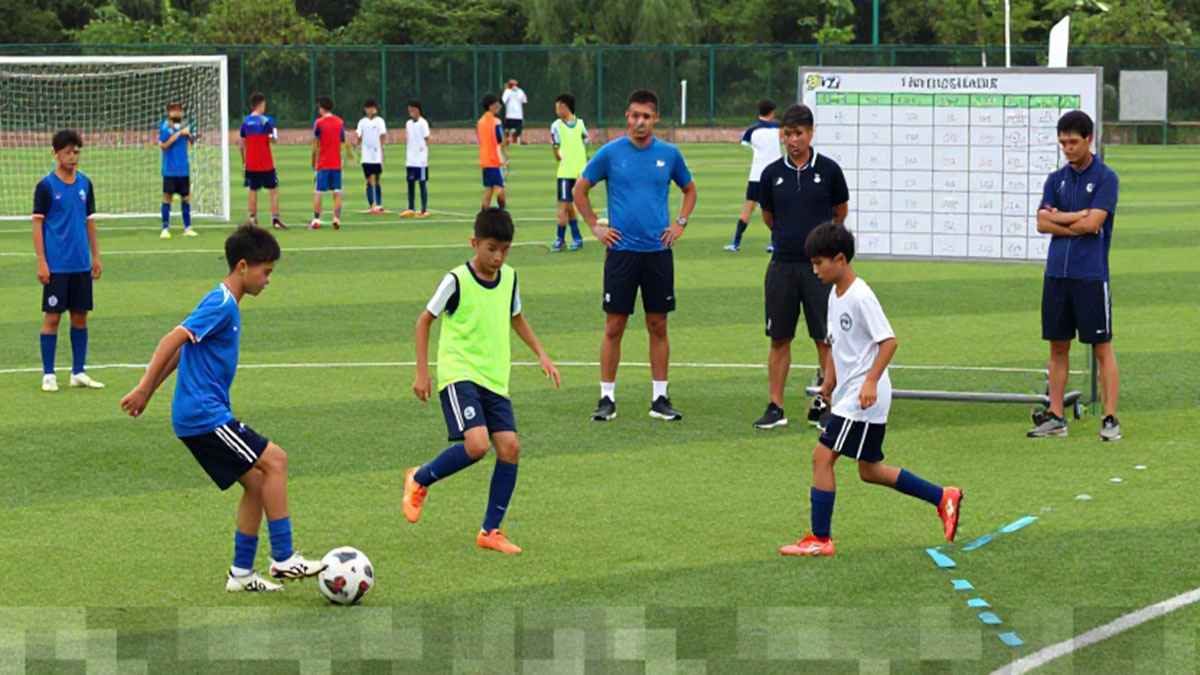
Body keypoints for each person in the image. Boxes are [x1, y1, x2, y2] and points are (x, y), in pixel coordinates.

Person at [119, 224, 326, 591]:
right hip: (203, 416)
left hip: (202, 415)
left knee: (257, 483)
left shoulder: (224, 303)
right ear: (242, 266)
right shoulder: (222, 303)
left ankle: (241, 574)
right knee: (276, 460)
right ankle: (283, 557)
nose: (268, 280)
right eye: (265, 271)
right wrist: (143, 387)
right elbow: (172, 339)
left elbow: (184, 349)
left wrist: (150, 393)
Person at [779, 222, 963, 557]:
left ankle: (820, 538)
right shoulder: (834, 294)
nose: (815, 270)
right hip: (850, 393)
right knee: (869, 471)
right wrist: (828, 382)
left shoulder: (861, 296)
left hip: (863, 397)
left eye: (819, 263)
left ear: (840, 259)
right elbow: (836, 344)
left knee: (822, 456)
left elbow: (889, 342)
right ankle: (942, 497)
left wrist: (870, 381)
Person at [403, 208, 561, 555]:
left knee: (510, 448)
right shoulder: (456, 280)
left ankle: (490, 531)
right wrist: (422, 372)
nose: (498, 257)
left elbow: (516, 316)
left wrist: (542, 354)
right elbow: (423, 321)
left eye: (505, 250)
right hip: (459, 373)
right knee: (477, 445)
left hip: (494, 378)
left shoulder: (510, 278)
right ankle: (419, 478)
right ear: (474, 243)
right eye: (491, 249)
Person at [574, 89, 697, 422]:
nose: (640, 122)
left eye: (646, 116)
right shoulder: (610, 153)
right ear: (627, 117)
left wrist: (680, 223)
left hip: (657, 252)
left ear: (655, 118)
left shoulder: (669, 154)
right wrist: (594, 226)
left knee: (658, 325)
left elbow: (689, 189)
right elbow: (579, 189)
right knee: (614, 326)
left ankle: (660, 398)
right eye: (634, 115)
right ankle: (606, 398)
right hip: (621, 253)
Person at [753, 103, 849, 430]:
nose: (792, 140)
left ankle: (826, 405)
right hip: (782, 265)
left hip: (818, 270)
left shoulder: (829, 170)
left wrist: (820, 247)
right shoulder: (771, 174)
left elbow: (840, 211)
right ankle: (776, 407)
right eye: (788, 134)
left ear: (810, 133)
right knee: (779, 338)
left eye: (798, 134)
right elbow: (769, 217)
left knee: (825, 339)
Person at [1029, 110, 1121, 441]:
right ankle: (1056, 416)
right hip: (1057, 274)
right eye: (1063, 143)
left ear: (1088, 139)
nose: (1067, 149)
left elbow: (1093, 224)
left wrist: (1061, 220)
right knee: (1057, 347)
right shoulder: (1056, 180)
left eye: (1073, 142)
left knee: (1101, 348)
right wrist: (1076, 216)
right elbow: (1041, 223)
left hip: (1090, 276)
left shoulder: (1106, 178)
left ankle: (1110, 419)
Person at [33, 129, 104, 393]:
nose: (72, 157)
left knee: (80, 316)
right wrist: (42, 261)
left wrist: (95, 257)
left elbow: (89, 222)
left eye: (76, 152)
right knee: (52, 317)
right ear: (55, 153)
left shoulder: (85, 184)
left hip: (81, 264)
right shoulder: (46, 186)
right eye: (67, 152)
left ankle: (78, 371)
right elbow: (38, 225)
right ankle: (49, 374)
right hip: (57, 266)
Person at [725, 99, 781, 253]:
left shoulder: (752, 130)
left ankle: (736, 243)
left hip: (757, 174)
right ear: (772, 112)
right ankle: (775, 243)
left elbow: (743, 142)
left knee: (747, 210)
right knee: (774, 211)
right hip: (775, 174)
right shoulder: (779, 128)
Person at [239, 92, 287, 230]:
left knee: (252, 190)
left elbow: (242, 143)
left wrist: (244, 160)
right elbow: (274, 139)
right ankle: (275, 219)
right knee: (273, 190)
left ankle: (252, 218)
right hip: (265, 162)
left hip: (251, 162)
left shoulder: (246, 122)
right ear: (261, 104)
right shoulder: (268, 121)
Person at [309, 96, 356, 230]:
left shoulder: (319, 123)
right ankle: (336, 218)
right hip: (336, 163)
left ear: (321, 108)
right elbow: (344, 141)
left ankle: (316, 219)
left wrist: (313, 159)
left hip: (323, 162)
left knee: (318, 191)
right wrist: (350, 155)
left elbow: (316, 143)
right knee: (337, 191)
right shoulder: (339, 122)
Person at [549, 93, 588, 252]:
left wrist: (560, 155)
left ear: (565, 107)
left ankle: (560, 239)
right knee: (568, 205)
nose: (557, 110)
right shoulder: (560, 125)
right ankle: (577, 238)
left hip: (570, 172)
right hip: (573, 172)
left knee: (562, 208)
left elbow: (557, 151)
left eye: (558, 107)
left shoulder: (572, 125)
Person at [158, 102, 196, 239]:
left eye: (179, 110)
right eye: (173, 110)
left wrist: (190, 135)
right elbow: (164, 145)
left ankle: (187, 227)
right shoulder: (165, 126)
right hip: (170, 169)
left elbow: (192, 142)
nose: (177, 113)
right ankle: (165, 228)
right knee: (167, 198)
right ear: (169, 113)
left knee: (186, 198)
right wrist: (179, 133)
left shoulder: (185, 126)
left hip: (183, 169)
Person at [355, 98, 388, 214]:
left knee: (377, 179)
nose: (372, 110)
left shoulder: (380, 121)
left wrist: (382, 149)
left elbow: (382, 135)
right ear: (366, 109)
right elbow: (359, 136)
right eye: (370, 108)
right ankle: (372, 204)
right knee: (370, 179)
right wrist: (357, 147)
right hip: (366, 155)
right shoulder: (362, 122)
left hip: (377, 155)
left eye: (374, 108)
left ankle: (379, 204)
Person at [476, 94, 508, 210]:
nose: (498, 106)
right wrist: (506, 156)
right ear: (491, 106)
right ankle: (502, 214)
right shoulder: (496, 122)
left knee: (489, 189)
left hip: (485, 159)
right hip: (495, 160)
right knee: (500, 190)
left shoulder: (480, 122)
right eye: (496, 104)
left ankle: (483, 214)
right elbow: (500, 140)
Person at [402, 100, 431, 218]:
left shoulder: (423, 123)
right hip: (410, 159)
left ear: (418, 110)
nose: (411, 113)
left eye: (412, 110)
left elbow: (426, 138)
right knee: (410, 183)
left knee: (422, 183)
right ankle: (411, 208)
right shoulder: (408, 123)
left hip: (421, 160)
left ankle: (424, 209)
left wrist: (422, 151)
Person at [501, 79, 528, 145]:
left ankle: (507, 140)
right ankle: (516, 139)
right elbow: (524, 101)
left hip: (509, 115)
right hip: (519, 115)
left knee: (506, 129)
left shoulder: (507, 91)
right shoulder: (520, 91)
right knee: (518, 129)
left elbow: (503, 101)